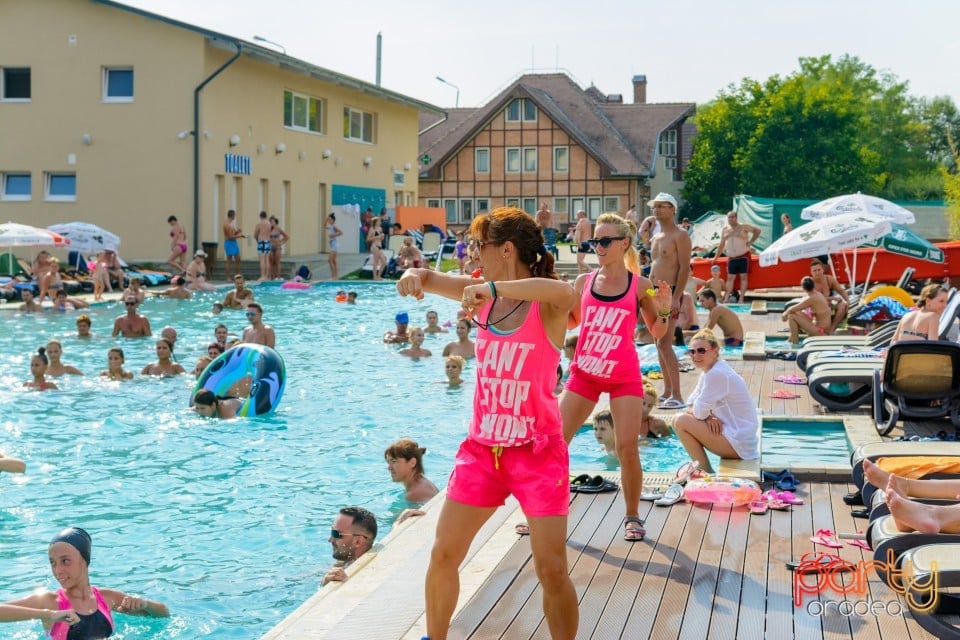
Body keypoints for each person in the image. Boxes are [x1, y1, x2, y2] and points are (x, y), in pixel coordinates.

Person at [396, 206, 578, 640]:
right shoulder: (481, 292)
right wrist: (413, 278)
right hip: (482, 451)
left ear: (506, 250)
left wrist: (491, 287)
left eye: (481, 245)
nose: (474, 253)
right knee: (443, 554)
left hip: (538, 453)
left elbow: (565, 293)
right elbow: (428, 278)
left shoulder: (546, 303)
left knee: (551, 569)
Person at [560, 212, 673, 542]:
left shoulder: (641, 285)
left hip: (623, 375)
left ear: (624, 243)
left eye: (605, 241)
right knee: (556, 443)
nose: (598, 246)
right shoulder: (584, 282)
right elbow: (569, 324)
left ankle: (632, 515)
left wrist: (664, 307)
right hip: (585, 374)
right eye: (595, 240)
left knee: (627, 447)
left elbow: (657, 331)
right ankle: (550, 508)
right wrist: (556, 297)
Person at [1, 527, 168, 638]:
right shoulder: (50, 602)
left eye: (65, 561)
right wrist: (48, 615)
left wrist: (144, 604)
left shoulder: (107, 598)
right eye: (53, 562)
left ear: (85, 560)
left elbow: (163, 614)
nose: (57, 570)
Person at [672, 329, 759, 473]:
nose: (696, 355)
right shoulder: (709, 371)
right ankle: (704, 469)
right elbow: (690, 404)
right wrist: (709, 417)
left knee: (680, 421)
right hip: (738, 439)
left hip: (740, 444)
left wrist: (705, 415)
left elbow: (698, 412)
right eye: (692, 351)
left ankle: (706, 471)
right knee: (679, 419)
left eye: (701, 350)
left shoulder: (717, 374)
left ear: (715, 351)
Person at [648, 192, 692, 409]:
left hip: (670, 292)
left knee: (665, 343)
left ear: (673, 209)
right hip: (654, 292)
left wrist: (676, 297)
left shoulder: (680, 235)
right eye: (655, 206)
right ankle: (666, 391)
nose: (657, 210)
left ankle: (678, 394)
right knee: (658, 343)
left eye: (663, 206)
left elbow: (685, 267)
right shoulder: (656, 237)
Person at [321, 507, 378, 586]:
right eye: (332, 531)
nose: (330, 539)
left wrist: (346, 584)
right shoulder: (348, 560)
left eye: (336, 534)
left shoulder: (371, 571)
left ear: (358, 541)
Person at [713, 210, 761, 302]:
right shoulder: (725, 229)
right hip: (732, 257)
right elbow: (721, 244)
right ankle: (726, 297)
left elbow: (757, 231)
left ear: (736, 217)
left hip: (743, 256)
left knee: (743, 277)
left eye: (732, 217)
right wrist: (715, 257)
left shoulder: (743, 226)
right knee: (730, 278)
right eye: (729, 217)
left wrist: (751, 242)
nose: (730, 219)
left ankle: (741, 297)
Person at [385, 439, 439, 503]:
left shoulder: (414, 494)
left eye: (394, 461)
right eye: (388, 462)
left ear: (412, 463)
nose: (389, 467)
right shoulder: (422, 483)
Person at [782, 276, 833, 344]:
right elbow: (796, 309)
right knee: (796, 312)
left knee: (791, 316)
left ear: (803, 287)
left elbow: (790, 309)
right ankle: (791, 338)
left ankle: (794, 343)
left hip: (820, 331)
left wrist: (784, 315)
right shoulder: (818, 294)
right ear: (813, 285)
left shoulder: (811, 298)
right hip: (822, 329)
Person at [809, 259, 850, 333]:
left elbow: (841, 291)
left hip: (829, 305)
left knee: (843, 306)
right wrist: (832, 298)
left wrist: (848, 301)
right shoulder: (810, 283)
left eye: (819, 270)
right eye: (814, 271)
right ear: (811, 272)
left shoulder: (829, 279)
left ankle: (832, 328)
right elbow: (815, 299)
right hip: (816, 306)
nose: (817, 272)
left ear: (823, 270)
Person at [223, 209, 244, 281]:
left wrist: (238, 232)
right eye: (234, 215)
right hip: (229, 243)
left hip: (234, 243)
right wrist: (240, 236)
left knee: (238, 259)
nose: (235, 216)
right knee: (229, 260)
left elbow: (233, 234)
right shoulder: (227, 224)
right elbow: (230, 237)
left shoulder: (231, 224)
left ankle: (237, 276)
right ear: (232, 215)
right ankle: (228, 277)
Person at [268, 215, 289, 280]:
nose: (271, 223)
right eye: (270, 222)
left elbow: (286, 237)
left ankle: (278, 277)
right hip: (270, 247)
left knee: (277, 262)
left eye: (272, 222)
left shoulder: (278, 229)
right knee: (271, 263)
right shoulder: (268, 229)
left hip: (277, 247)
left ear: (275, 222)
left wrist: (281, 243)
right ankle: (272, 277)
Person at [253, 211, 272, 281]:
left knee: (262, 260)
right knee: (267, 259)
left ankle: (263, 276)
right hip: (268, 242)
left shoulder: (259, 223)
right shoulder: (269, 224)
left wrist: (257, 240)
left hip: (262, 241)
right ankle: (267, 276)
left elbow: (255, 234)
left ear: (260, 216)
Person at [366, 217, 386, 281]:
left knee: (384, 261)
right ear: (376, 222)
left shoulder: (380, 228)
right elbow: (368, 239)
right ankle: (375, 277)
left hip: (380, 246)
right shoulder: (372, 229)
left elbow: (381, 238)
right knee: (376, 261)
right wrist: (377, 237)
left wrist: (382, 237)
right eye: (379, 221)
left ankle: (379, 275)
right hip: (374, 246)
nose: (380, 222)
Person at [573, 209, 592, 274]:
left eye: (578, 214)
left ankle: (592, 270)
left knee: (579, 261)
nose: (577, 216)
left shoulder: (581, 221)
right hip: (587, 243)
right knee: (581, 262)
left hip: (582, 243)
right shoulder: (588, 221)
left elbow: (579, 233)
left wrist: (578, 243)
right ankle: (580, 275)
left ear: (582, 214)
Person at [326, 213, 343, 281]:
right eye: (328, 220)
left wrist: (334, 235)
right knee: (334, 261)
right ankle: (336, 276)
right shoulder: (330, 227)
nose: (329, 221)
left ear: (333, 221)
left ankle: (333, 276)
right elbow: (323, 226)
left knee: (330, 260)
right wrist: (326, 219)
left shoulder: (334, 226)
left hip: (334, 244)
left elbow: (341, 232)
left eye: (330, 220)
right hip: (332, 244)